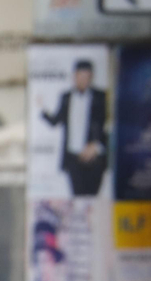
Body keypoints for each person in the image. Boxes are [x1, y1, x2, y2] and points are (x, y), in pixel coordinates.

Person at [40, 59, 108, 197]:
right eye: (80, 76)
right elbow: (56, 121)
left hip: (93, 158)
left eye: (86, 76)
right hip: (73, 158)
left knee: (92, 197)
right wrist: (42, 110)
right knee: (77, 196)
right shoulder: (66, 97)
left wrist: (96, 145)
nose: (83, 80)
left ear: (91, 77)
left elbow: (108, 124)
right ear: (75, 76)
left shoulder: (100, 97)